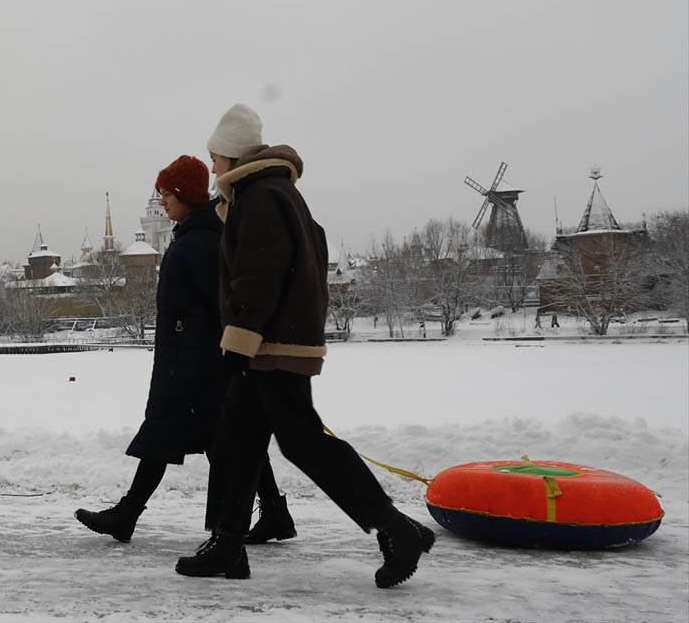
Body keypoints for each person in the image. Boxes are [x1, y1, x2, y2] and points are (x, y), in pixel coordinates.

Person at [175, 104, 434, 587]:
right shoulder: (279, 192)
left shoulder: (259, 196)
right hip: (276, 342)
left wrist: (240, 338)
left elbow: (258, 275)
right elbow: (313, 251)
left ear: (232, 156)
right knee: (234, 441)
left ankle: (396, 530)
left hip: (270, 347)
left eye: (215, 158)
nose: (212, 168)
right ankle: (227, 545)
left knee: (304, 442)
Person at [74, 155, 295, 544]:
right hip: (188, 358)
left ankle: (130, 515)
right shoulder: (195, 235)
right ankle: (274, 512)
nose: (162, 202)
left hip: (193, 363)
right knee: (212, 439)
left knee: (169, 433)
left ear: (185, 195)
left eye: (166, 194)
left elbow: (220, 305)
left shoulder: (200, 243)